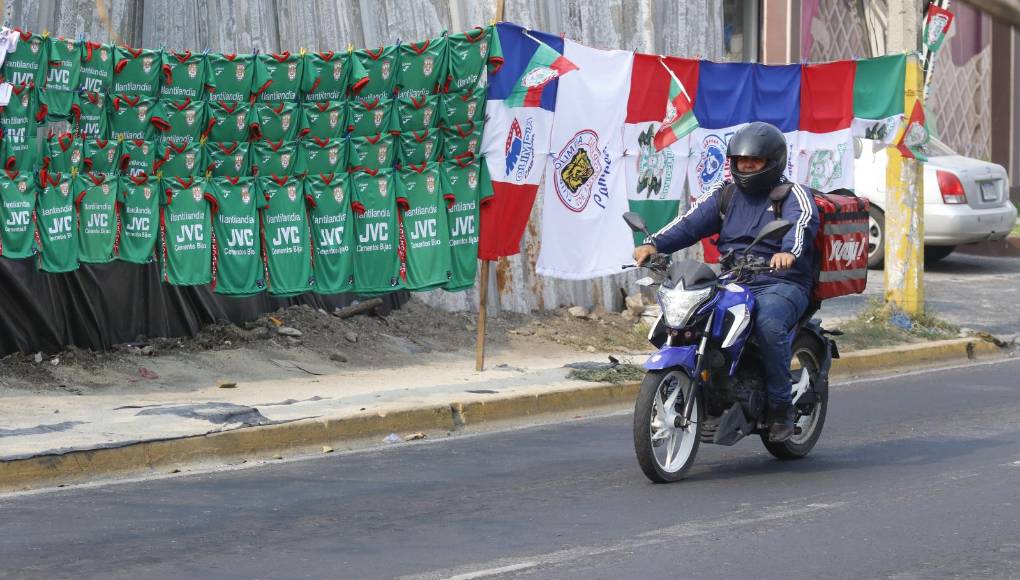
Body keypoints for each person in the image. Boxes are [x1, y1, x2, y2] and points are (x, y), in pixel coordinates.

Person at [632, 121, 819, 442]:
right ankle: (711, 385)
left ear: (772, 163)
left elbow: (801, 226)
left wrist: (787, 252)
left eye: (754, 161)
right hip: (735, 278)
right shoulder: (726, 194)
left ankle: (780, 409)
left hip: (783, 282)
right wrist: (655, 244)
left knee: (768, 323)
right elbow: (689, 222)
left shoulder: (791, 195)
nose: (746, 166)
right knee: (691, 318)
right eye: (740, 160)